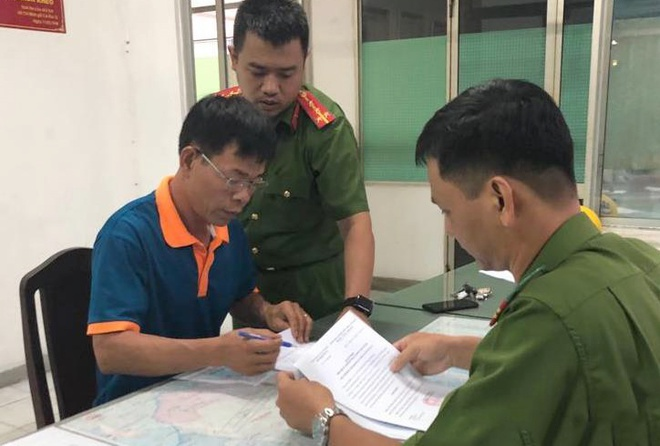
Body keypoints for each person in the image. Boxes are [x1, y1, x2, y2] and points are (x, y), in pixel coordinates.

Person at [276, 79, 660, 445]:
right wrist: (459, 351)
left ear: (500, 199)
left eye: (447, 210)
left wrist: (323, 419)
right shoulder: (639, 260)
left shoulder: (548, 318)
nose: (448, 229)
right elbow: (583, 364)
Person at [87, 95, 311, 405]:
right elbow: (111, 351)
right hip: (132, 405)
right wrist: (219, 351)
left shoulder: (228, 228)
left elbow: (240, 296)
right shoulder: (128, 236)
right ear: (189, 160)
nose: (243, 197)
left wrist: (267, 312)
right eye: (234, 179)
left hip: (202, 393)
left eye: (254, 183)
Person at [218, 0, 375, 321]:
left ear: (304, 61)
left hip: (317, 297)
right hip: (249, 296)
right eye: (257, 72)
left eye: (286, 74)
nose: (271, 88)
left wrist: (356, 307)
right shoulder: (218, 122)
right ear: (234, 58)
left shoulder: (325, 129)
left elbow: (355, 224)